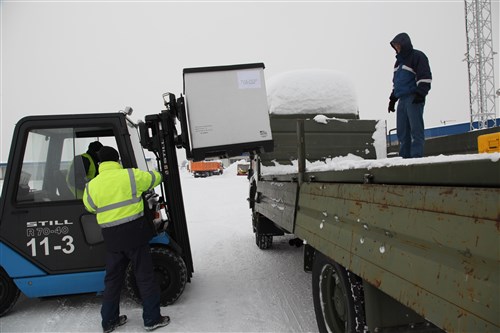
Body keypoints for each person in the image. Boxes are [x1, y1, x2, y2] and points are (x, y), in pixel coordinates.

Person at [82, 146, 170, 333]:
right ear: (117, 160)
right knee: (145, 277)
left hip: (112, 240)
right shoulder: (131, 176)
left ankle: (109, 321)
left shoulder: (92, 186)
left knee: (112, 281)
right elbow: (155, 178)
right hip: (135, 236)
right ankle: (152, 319)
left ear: (100, 163)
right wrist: (161, 171)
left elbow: (90, 207)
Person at [388, 32, 432, 158]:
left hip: (413, 97)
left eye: (398, 45)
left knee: (415, 129)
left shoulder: (417, 56)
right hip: (402, 99)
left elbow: (425, 76)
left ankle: (416, 157)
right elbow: (397, 82)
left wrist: (421, 93)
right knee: (402, 131)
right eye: (394, 45)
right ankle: (405, 157)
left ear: (404, 44)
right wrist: (393, 98)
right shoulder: (398, 63)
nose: (396, 48)